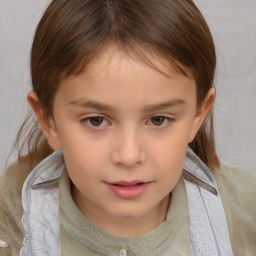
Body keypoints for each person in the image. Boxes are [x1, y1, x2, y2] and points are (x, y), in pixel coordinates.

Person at [0, 0, 255, 255]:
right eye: (96, 120)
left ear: (198, 114)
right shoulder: (9, 209)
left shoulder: (244, 210)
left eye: (158, 120)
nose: (129, 155)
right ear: (48, 120)